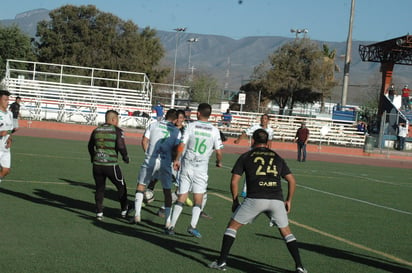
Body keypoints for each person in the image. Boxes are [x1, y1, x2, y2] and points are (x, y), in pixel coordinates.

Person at [208, 129, 307, 273]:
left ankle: (221, 262)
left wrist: (235, 200)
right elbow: (292, 180)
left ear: (252, 140)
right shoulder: (277, 156)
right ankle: (300, 266)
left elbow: (235, 181)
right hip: (276, 199)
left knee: (232, 227)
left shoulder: (246, 156)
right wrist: (288, 200)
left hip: (255, 198)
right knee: (286, 232)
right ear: (267, 142)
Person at [167, 103, 224, 237]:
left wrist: (176, 159)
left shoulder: (191, 126)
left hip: (187, 165)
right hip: (201, 168)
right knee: (198, 198)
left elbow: (182, 145)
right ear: (210, 114)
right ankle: (192, 226)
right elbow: (219, 151)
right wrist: (219, 161)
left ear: (198, 113)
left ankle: (171, 226)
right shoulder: (214, 130)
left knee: (182, 196)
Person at [131, 109, 181, 233]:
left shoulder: (153, 125)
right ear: (175, 120)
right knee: (167, 191)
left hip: (151, 159)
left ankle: (137, 215)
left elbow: (144, 140)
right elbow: (178, 148)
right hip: (165, 162)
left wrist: (148, 154)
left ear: (165, 116)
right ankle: (167, 222)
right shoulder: (176, 131)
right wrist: (175, 159)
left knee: (141, 185)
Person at [87, 110, 130, 220]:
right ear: (113, 119)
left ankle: (99, 212)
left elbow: (90, 146)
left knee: (100, 188)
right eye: (117, 119)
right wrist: (125, 157)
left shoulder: (96, 130)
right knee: (121, 187)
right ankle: (124, 211)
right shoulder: (116, 130)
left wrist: (93, 157)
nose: (118, 121)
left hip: (97, 165)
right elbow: (121, 146)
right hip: (111, 165)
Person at [234, 114, 274, 196]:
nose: (263, 120)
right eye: (262, 118)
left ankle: (258, 189)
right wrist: (239, 140)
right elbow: (245, 132)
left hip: (264, 153)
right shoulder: (255, 127)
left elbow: (269, 142)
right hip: (253, 151)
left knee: (262, 171)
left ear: (268, 120)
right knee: (250, 170)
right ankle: (245, 190)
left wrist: (269, 152)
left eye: (265, 119)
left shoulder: (270, 130)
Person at [0, 90, 15, 184]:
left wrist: (9, 139)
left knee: (6, 170)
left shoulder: (10, 114)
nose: (7, 102)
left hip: (5, 148)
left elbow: (10, 130)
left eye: (8, 100)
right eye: (5, 100)